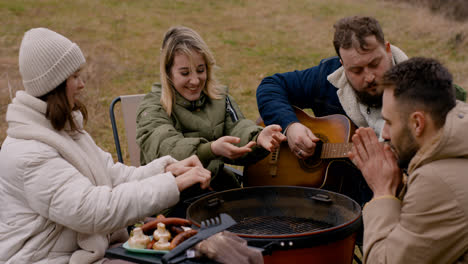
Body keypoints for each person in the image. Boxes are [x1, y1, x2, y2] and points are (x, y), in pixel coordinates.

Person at [0, 28, 211, 264]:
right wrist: (172, 184)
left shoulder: (61, 130)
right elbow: (94, 211)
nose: (82, 84)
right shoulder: (30, 153)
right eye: (74, 77)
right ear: (55, 85)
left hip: (88, 251)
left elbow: (113, 175)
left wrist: (166, 171)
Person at [136, 26, 286, 216]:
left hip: (215, 190)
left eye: (200, 70)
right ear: (168, 73)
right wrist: (211, 149)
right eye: (184, 73)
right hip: (172, 201)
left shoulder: (218, 97)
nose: (195, 80)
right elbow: (167, 148)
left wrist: (258, 137)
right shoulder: (152, 107)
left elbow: (238, 127)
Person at [348, 57, 468, 263]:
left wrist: (382, 192)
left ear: (418, 123)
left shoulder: (436, 181)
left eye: (388, 122)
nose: (384, 134)